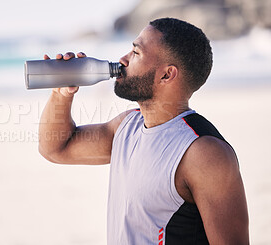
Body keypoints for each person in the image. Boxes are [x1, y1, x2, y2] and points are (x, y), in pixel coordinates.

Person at [38, 17, 249, 245]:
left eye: (136, 53)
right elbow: (56, 148)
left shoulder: (204, 153)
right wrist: (61, 94)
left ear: (167, 74)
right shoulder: (127, 127)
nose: (122, 59)